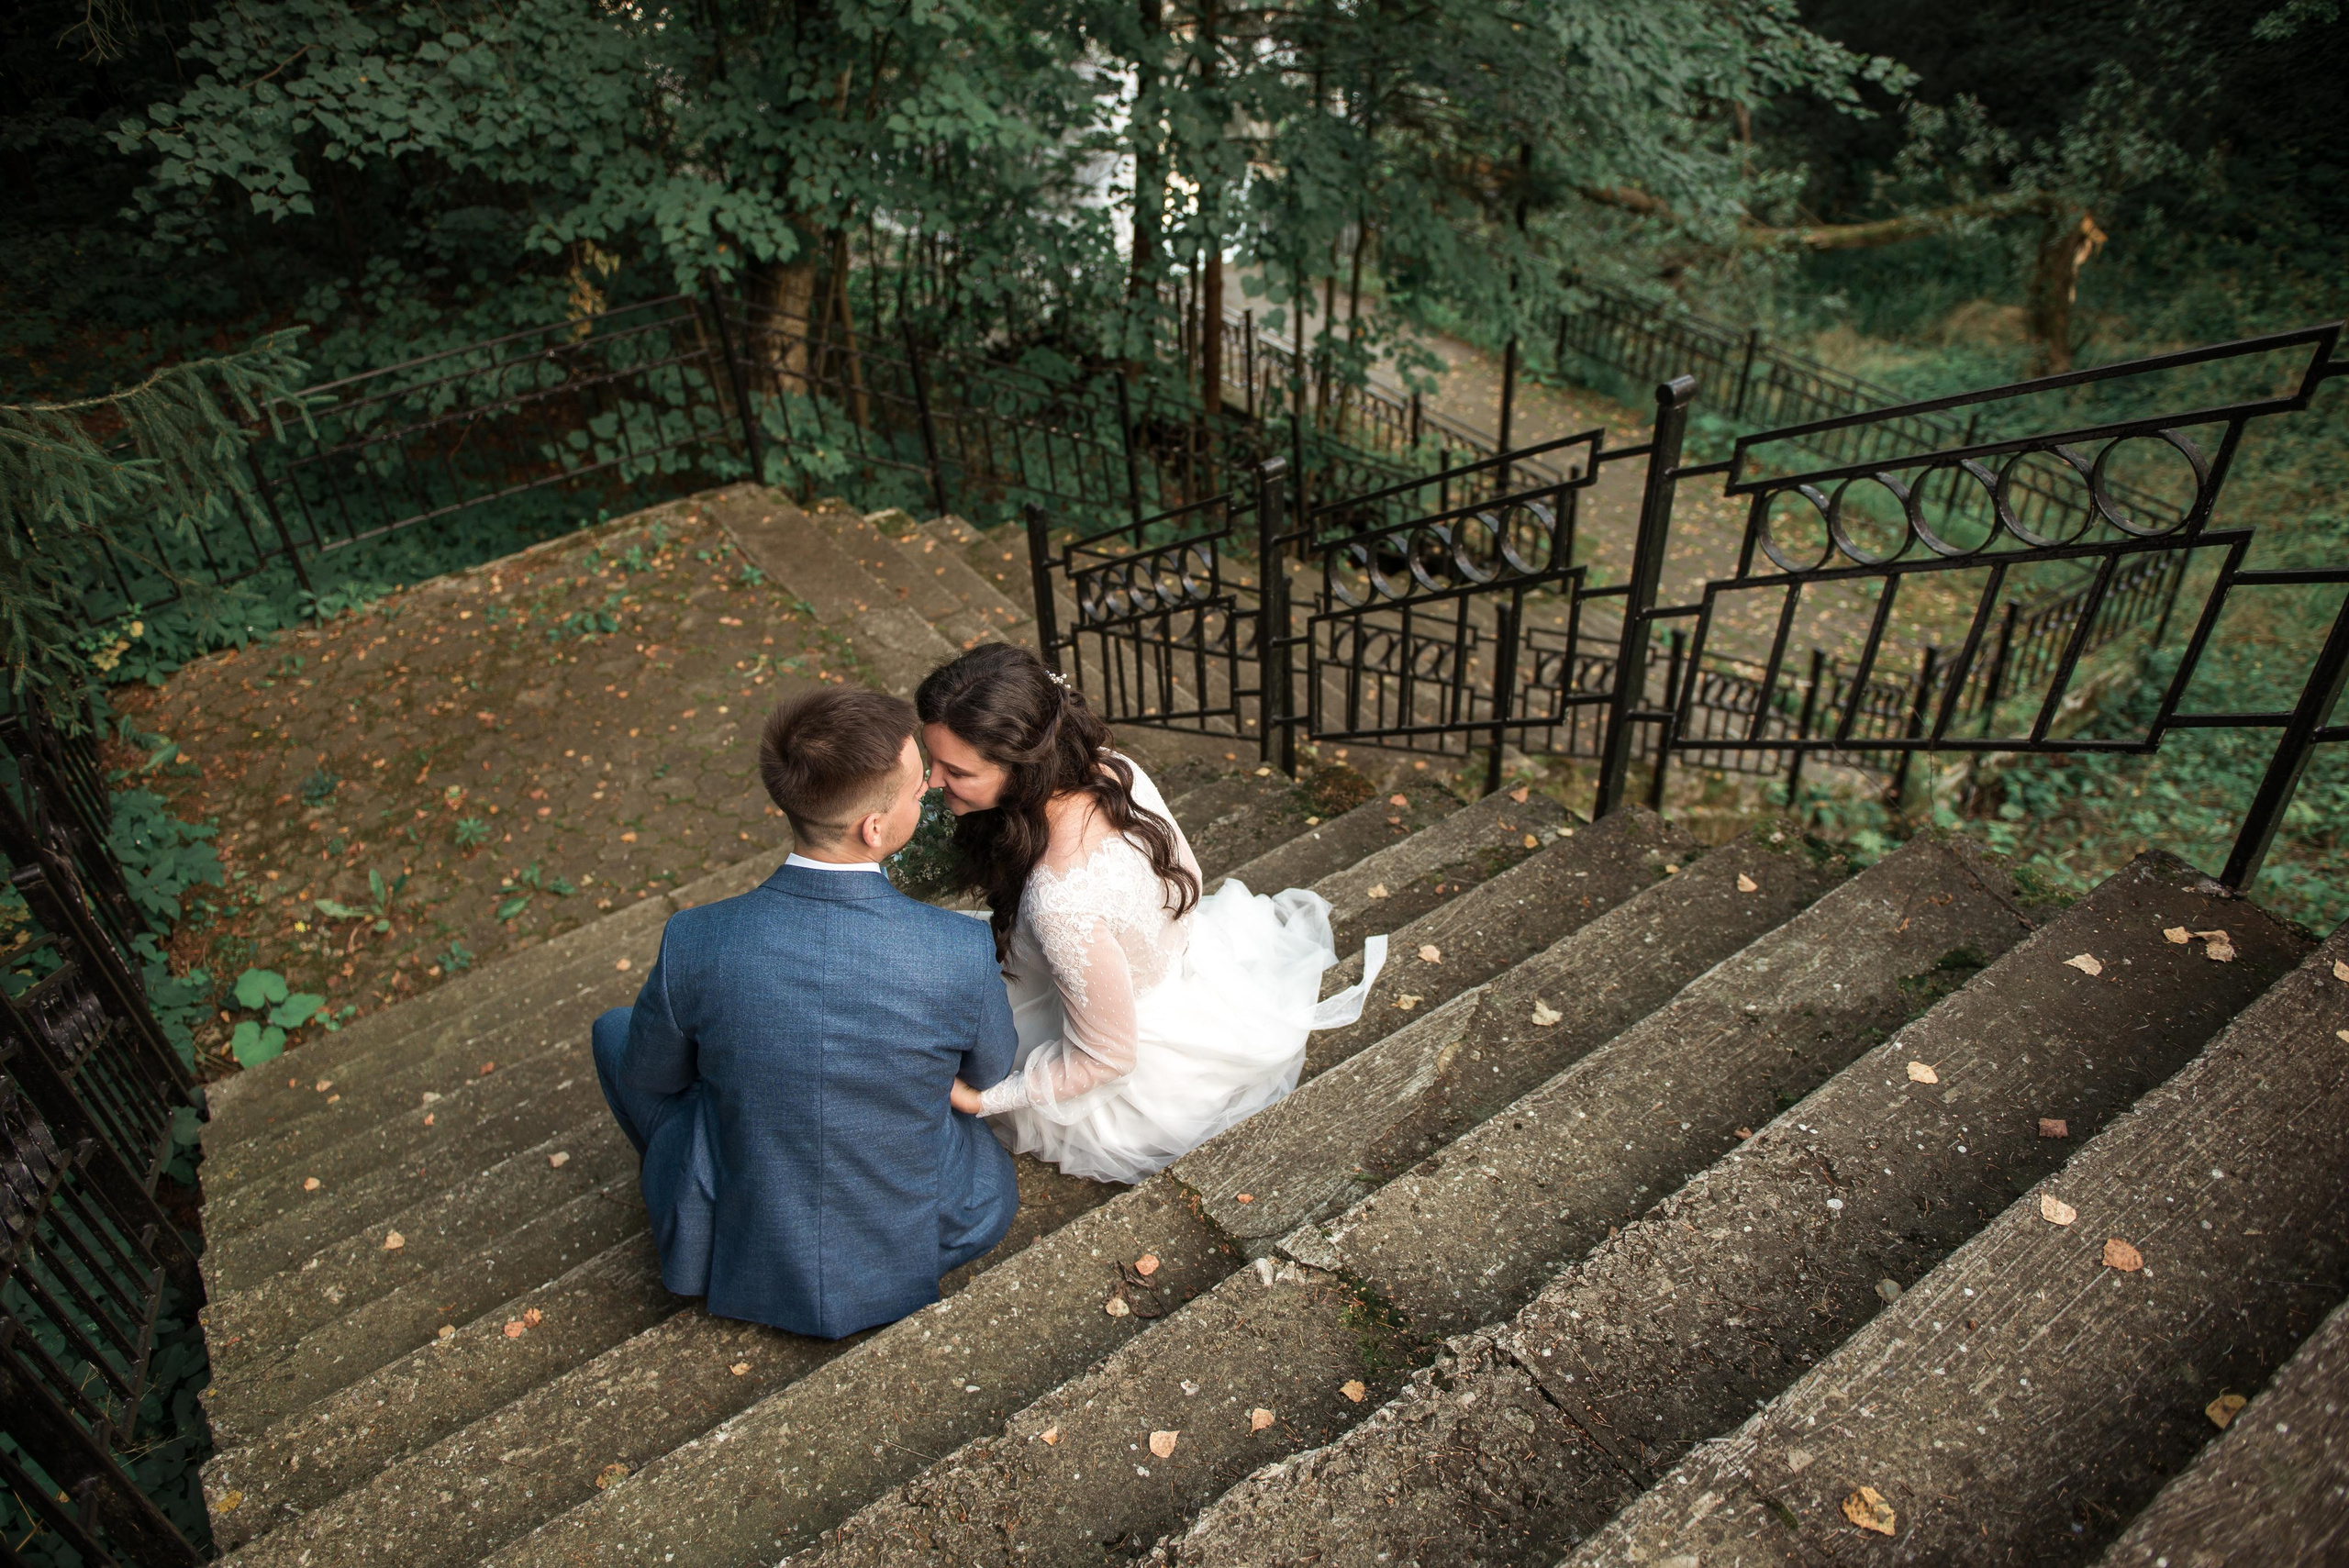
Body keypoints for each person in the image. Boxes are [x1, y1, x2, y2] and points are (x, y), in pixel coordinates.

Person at [590, 685, 1019, 1340]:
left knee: (614, 1032)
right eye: (916, 787)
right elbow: (990, 1068)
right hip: (933, 1224)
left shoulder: (695, 940)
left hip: (737, 1233)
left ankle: (714, 1210)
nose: (928, 789)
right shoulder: (958, 948)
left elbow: (652, 1080)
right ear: (874, 828)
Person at [917, 643, 1387, 1184]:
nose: (932, 781)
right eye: (933, 761)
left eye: (956, 771)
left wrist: (983, 1100)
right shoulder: (1112, 770)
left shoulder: (1060, 902)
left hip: (1130, 1060)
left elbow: (1107, 1058)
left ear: (1024, 766)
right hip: (1172, 967)